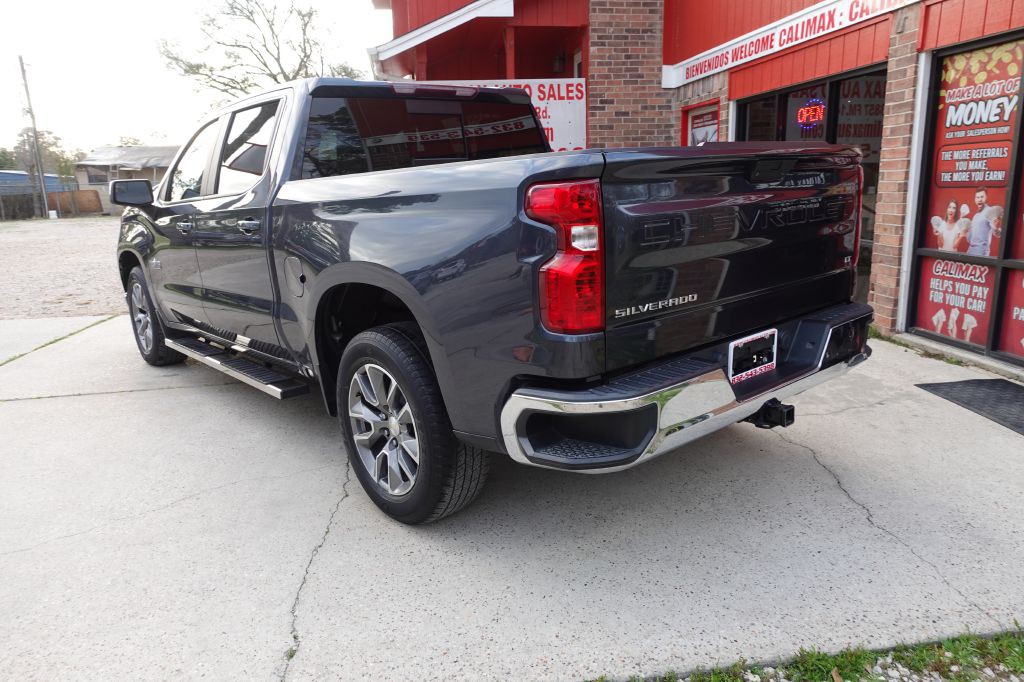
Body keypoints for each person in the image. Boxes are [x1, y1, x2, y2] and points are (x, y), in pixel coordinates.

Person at [966, 188, 1002, 256]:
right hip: (970, 251)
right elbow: (969, 239)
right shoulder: (975, 216)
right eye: (978, 197)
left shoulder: (990, 211)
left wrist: (996, 227)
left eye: (982, 197)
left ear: (986, 198)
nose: (980, 199)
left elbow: (997, 234)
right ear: (975, 200)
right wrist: (965, 232)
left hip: (981, 252)